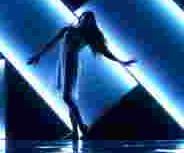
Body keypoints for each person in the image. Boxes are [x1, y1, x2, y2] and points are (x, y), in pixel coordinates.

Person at [27, 11, 137, 141]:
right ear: (81, 18)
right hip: (62, 63)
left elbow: (105, 51)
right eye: (85, 18)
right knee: (70, 99)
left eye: (90, 20)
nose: (87, 21)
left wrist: (122, 61)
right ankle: (74, 132)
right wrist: (38, 55)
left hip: (72, 65)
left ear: (92, 23)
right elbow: (51, 43)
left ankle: (81, 125)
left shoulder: (89, 36)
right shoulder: (67, 29)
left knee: (67, 97)